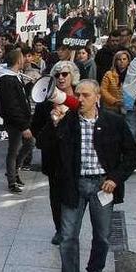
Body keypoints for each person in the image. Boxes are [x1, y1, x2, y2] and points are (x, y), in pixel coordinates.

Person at [37, 80, 136, 272]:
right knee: (68, 236)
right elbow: (43, 144)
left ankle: (94, 271)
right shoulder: (67, 120)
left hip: (103, 185)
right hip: (74, 185)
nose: (80, 99)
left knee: (102, 235)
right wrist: (53, 125)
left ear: (97, 97)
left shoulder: (114, 121)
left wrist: (115, 178)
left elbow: (131, 155)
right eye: (78, 95)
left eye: (86, 95)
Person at [33, 61, 81, 245]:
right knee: (56, 195)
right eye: (58, 74)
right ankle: (60, 229)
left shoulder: (80, 99)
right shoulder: (45, 103)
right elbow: (36, 128)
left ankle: (71, 229)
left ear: (72, 77)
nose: (61, 77)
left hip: (75, 156)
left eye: (65, 74)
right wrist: (52, 125)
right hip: (54, 157)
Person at [0, 50, 34, 193]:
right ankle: (12, 180)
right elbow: (12, 105)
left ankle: (14, 170)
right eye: (22, 58)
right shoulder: (7, 79)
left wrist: (29, 86)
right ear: (18, 61)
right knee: (13, 150)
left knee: (30, 143)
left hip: (21, 120)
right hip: (15, 122)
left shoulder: (14, 77)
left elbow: (20, 97)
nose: (25, 59)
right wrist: (23, 126)